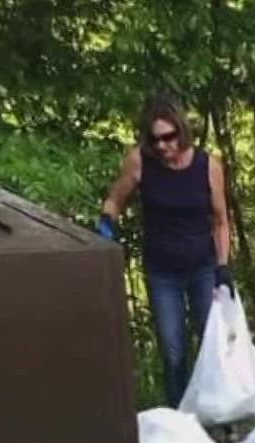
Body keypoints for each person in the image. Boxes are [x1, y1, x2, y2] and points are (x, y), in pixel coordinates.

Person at [98, 95, 235, 412]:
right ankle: (181, 421)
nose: (161, 146)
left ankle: (222, 418)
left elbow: (221, 220)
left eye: (168, 137)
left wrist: (223, 267)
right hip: (163, 272)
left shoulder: (208, 166)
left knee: (211, 346)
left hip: (202, 267)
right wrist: (106, 224)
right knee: (173, 352)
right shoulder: (140, 162)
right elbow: (114, 201)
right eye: (154, 139)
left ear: (182, 132)